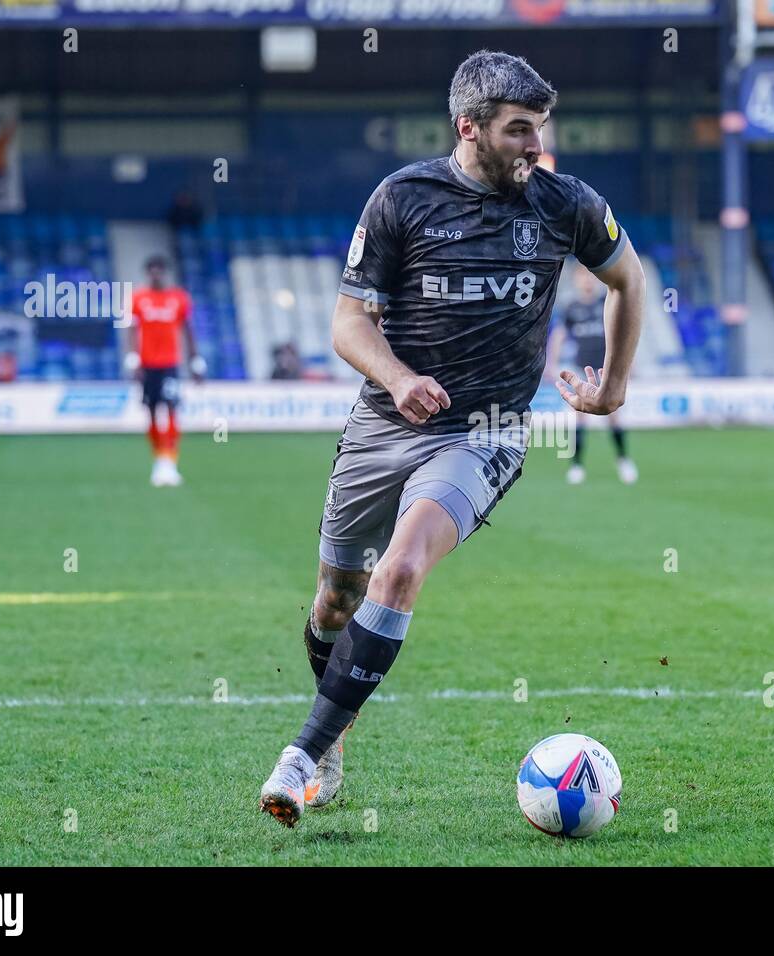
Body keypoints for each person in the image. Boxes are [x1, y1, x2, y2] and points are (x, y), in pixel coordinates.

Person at [257, 50, 645, 827]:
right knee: (335, 598)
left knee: (398, 571)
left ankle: (302, 755)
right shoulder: (403, 199)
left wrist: (615, 386)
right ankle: (336, 735)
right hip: (383, 420)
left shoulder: (565, 204)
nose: (535, 146)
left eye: (540, 129)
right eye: (517, 131)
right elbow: (347, 322)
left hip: (487, 431)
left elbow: (627, 280)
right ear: (468, 127)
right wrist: (398, 378)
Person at [546, 262, 637, 484]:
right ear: (576, 280)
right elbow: (558, 335)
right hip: (581, 368)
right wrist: (551, 363)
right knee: (581, 416)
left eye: (590, 276)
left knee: (613, 414)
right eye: (582, 277)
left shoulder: (605, 302)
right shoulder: (571, 308)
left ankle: (623, 460)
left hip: (605, 368)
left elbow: (623, 332)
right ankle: (577, 465)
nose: (587, 280)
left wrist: (627, 363)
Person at [123, 255, 204, 486]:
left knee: (170, 410)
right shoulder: (138, 298)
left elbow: (189, 331)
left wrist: (195, 361)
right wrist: (133, 359)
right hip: (147, 365)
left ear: (165, 273)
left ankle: (170, 462)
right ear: (147, 273)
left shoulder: (178, 299)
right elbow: (132, 330)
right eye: (152, 270)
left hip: (170, 364)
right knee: (150, 412)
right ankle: (158, 460)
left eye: (160, 270)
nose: (156, 274)